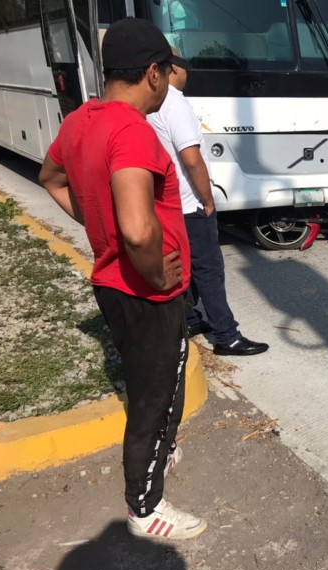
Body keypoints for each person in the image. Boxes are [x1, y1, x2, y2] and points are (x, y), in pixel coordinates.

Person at [38, 18, 206, 540]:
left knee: (147, 383)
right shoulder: (132, 131)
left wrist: (95, 222)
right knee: (157, 396)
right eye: (169, 71)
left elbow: (51, 178)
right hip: (146, 290)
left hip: (111, 285)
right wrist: (157, 276)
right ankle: (145, 506)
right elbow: (137, 232)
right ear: (153, 73)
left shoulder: (80, 120)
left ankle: (158, 455)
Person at [148, 48, 269, 356]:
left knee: (185, 264)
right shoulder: (175, 103)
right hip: (191, 202)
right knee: (209, 269)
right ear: (173, 69)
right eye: (185, 66)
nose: (189, 73)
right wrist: (207, 199)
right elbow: (192, 158)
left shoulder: (151, 104)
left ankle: (189, 318)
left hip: (169, 202)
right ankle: (227, 336)